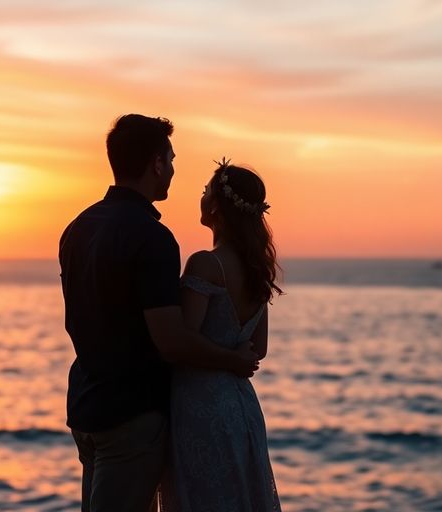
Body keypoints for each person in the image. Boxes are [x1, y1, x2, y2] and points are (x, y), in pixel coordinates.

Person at [59, 115, 260, 512]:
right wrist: (232, 359)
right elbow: (170, 340)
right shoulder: (153, 238)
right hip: (132, 414)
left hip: (85, 406)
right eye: (170, 160)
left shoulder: (77, 228)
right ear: (156, 164)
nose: (171, 170)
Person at [160, 159, 283, 511]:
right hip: (241, 405)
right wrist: (234, 356)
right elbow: (258, 348)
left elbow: (183, 342)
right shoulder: (257, 267)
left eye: (205, 191)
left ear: (216, 206)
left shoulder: (206, 264)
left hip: (200, 405)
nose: (200, 197)